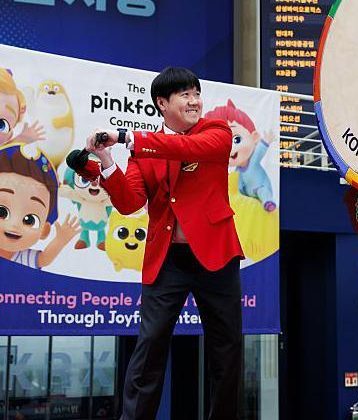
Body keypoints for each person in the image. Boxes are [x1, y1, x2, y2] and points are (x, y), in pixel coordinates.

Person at [83, 67, 244, 420]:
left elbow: (189, 147)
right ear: (162, 102)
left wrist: (125, 137)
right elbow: (130, 203)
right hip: (167, 259)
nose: (195, 101)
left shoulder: (215, 130)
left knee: (227, 349)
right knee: (150, 346)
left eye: (196, 93)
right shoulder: (144, 151)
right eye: (185, 95)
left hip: (215, 255)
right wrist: (107, 161)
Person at [0, 143, 80, 269]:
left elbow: (44, 259)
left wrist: (61, 239)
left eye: (30, 220)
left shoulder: (25, 258)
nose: (14, 224)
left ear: (44, 230)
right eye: (2, 212)